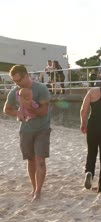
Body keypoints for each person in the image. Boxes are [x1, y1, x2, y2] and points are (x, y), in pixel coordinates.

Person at [3, 65, 51, 202]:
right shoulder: (15, 92)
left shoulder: (41, 89)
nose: (16, 84)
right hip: (25, 130)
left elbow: (43, 112)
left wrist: (30, 106)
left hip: (42, 129)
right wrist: (17, 113)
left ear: (26, 75)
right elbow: (6, 109)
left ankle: (38, 191)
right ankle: (34, 186)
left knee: (40, 160)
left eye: (18, 80)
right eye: (14, 81)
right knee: (31, 160)